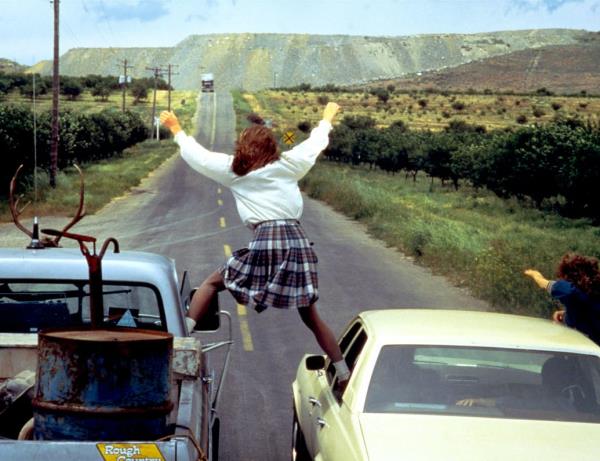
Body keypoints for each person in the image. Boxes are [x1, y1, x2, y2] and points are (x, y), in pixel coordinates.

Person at [159, 103, 351, 384]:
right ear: (271, 146)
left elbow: (197, 156)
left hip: (266, 238)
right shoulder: (288, 165)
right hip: (297, 241)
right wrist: (326, 120)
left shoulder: (235, 171)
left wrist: (176, 128)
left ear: (243, 147)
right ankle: (343, 372)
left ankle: (180, 340)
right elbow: (315, 144)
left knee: (213, 283)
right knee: (309, 313)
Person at [524, 253, 600, 345]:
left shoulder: (576, 294)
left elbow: (568, 292)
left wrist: (540, 279)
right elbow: (581, 316)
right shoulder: (586, 298)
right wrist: (564, 315)